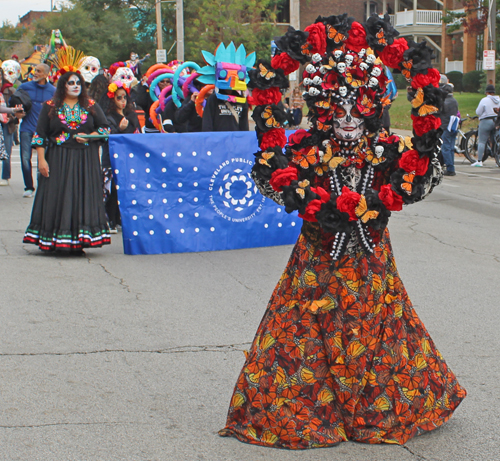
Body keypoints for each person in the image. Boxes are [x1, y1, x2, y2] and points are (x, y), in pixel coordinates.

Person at [219, 16, 465, 449]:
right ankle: (311, 410)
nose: (348, 118)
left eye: (357, 107)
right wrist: (292, 186)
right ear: (322, 107)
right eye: (338, 107)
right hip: (316, 262)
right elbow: (270, 173)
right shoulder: (307, 150)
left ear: (373, 107)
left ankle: (374, 409)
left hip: (371, 264)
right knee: (299, 332)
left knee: (380, 331)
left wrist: (414, 164)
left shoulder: (387, 149)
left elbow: (426, 174)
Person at [23, 71, 111, 254]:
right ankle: (55, 240)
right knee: (59, 195)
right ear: (63, 85)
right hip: (58, 158)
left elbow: (104, 128)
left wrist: (90, 136)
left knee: (82, 196)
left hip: (85, 159)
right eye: (71, 82)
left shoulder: (91, 105)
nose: (76, 86)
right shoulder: (50, 106)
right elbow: (40, 135)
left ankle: (80, 241)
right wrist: (41, 160)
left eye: (78, 82)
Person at [102, 81, 140, 232]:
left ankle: (119, 219)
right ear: (112, 99)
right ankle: (109, 220)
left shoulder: (131, 114)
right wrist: (120, 128)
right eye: (119, 98)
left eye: (124, 97)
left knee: (125, 190)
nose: (123, 101)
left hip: (128, 158)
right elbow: (107, 136)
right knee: (110, 190)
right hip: (111, 158)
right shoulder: (108, 116)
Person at [17, 63, 56, 197]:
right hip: (27, 128)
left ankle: (43, 185)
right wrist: (16, 113)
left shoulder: (53, 91)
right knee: (24, 158)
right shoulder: (24, 87)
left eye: (39, 71)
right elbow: (14, 102)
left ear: (46, 74)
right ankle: (29, 187)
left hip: (44, 131)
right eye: (35, 70)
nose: (35, 73)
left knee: (44, 159)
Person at [1, 69, 24, 185]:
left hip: (7, 123)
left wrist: (13, 113)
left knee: (6, 149)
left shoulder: (10, 90)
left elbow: (4, 108)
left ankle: (5, 176)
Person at [472, 84, 500, 167]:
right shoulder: (498, 99)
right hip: (496, 121)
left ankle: (479, 161)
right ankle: (497, 161)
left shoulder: (484, 100)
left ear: (487, 92)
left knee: (482, 141)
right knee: (495, 141)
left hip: (486, 121)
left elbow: (478, 112)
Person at [439, 76, 459, 176]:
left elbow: (440, 112)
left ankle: (450, 168)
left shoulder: (444, 102)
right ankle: (451, 166)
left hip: (445, 126)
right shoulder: (454, 101)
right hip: (453, 126)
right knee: (451, 147)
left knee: (445, 147)